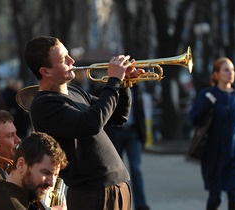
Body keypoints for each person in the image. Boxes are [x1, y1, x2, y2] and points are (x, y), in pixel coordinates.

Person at [24, 35, 145, 210]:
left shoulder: (74, 90)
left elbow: (117, 116)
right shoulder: (44, 104)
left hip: (117, 184)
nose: (72, 60)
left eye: (68, 55)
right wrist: (113, 81)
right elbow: (91, 123)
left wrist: (124, 84)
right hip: (91, 192)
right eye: (63, 59)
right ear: (45, 71)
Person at [190, 57, 235, 210]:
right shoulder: (207, 95)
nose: (230, 73)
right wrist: (206, 103)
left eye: (232, 70)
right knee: (215, 197)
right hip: (213, 155)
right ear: (217, 74)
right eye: (226, 70)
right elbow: (194, 118)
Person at [0, 132, 68, 210]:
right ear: (21, 165)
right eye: (45, 172)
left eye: (55, 175)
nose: (51, 183)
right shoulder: (11, 205)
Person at [105, 84, 150, 210]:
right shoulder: (111, 85)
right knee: (116, 172)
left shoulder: (136, 87)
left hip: (133, 132)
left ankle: (140, 205)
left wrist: (143, 137)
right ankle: (118, 204)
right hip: (115, 132)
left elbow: (140, 112)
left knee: (136, 169)